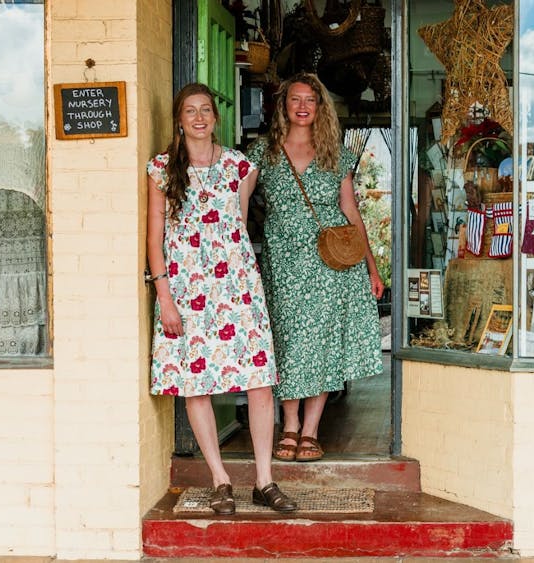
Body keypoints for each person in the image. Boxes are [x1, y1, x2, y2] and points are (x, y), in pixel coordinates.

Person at [145, 82, 297, 514]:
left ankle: (265, 480)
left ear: (216, 117)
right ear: (179, 118)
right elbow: (154, 240)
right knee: (197, 387)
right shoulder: (161, 170)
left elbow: (237, 226)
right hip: (186, 292)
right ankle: (220, 479)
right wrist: (165, 298)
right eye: (190, 110)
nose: (199, 117)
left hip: (237, 288)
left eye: (206, 109)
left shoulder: (239, 166)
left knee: (260, 383)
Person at [247, 73, 384, 463]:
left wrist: (372, 268)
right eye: (295, 99)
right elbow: (237, 204)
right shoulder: (264, 152)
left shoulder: (335, 154)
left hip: (331, 265)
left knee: (323, 345)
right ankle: (288, 424)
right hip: (284, 263)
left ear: (320, 107)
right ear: (284, 106)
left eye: (311, 100)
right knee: (287, 342)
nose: (303, 106)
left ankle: (310, 430)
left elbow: (351, 212)